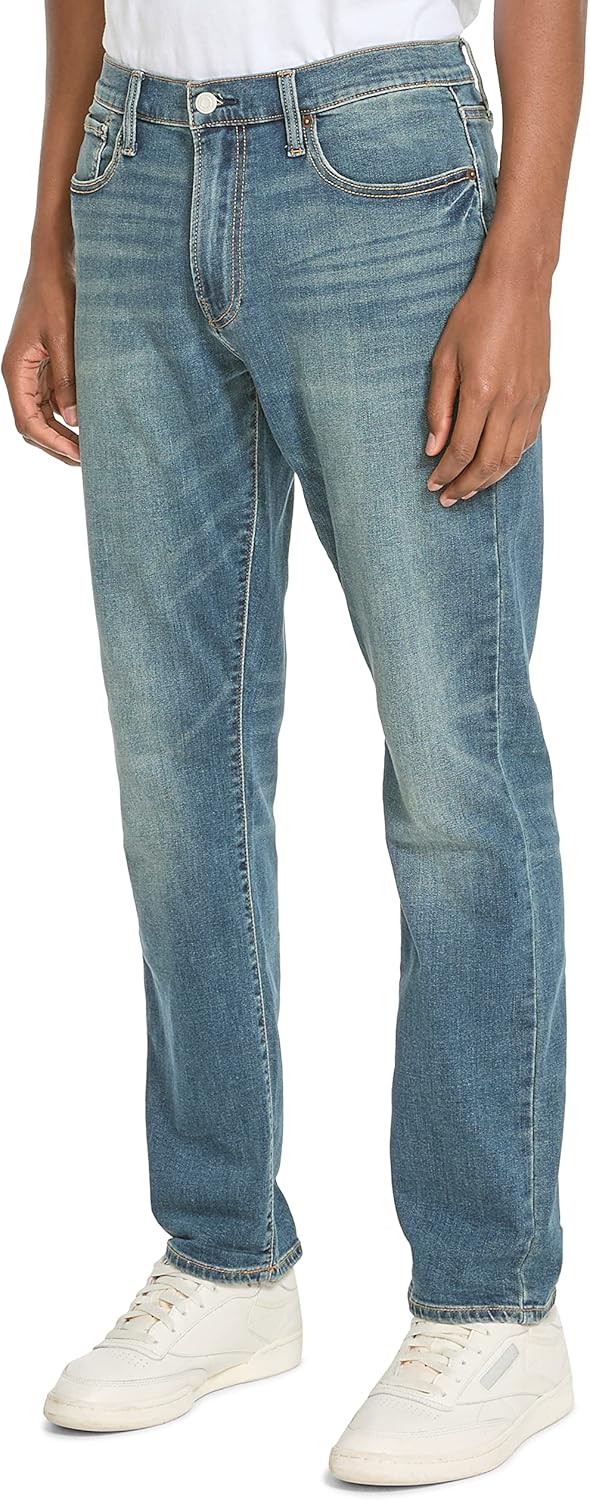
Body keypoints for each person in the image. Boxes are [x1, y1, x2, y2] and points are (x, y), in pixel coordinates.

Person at [2, 0, 585, 1482]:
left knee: (453, 769)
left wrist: (522, 265)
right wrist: (52, 229)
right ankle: (224, 1258)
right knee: (171, 771)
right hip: (134, 171)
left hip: (381, 172)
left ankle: (491, 1305)